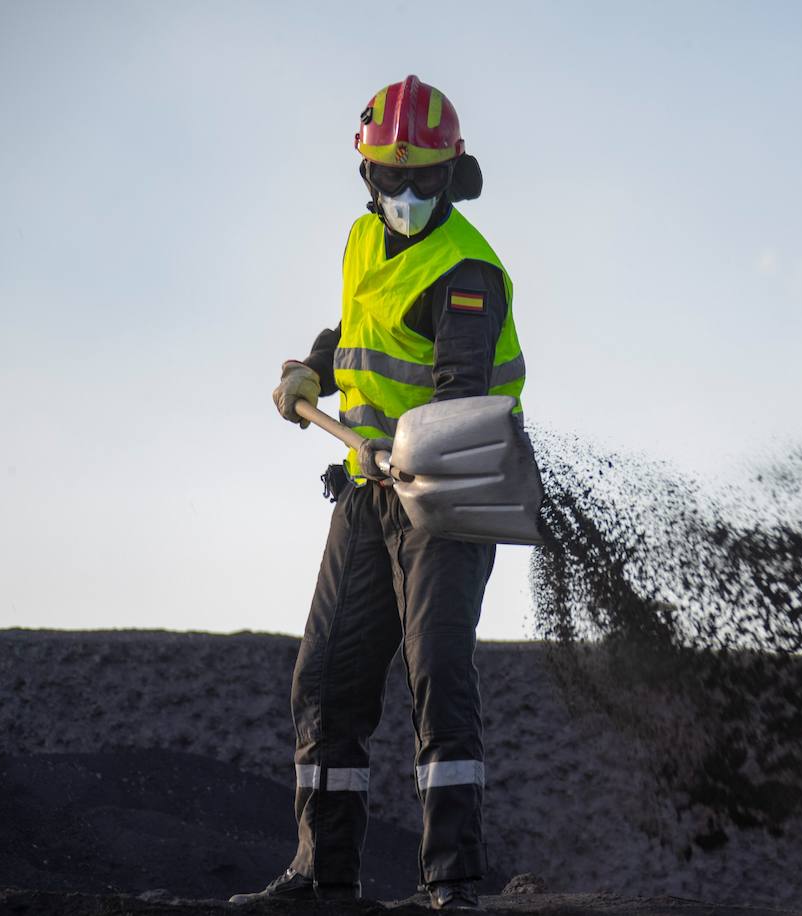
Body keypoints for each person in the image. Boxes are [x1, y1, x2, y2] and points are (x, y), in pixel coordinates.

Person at [229, 75, 525, 912]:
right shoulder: (363, 240)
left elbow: (458, 391)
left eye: (421, 178)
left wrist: (400, 449)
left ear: (450, 174)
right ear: (366, 177)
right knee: (325, 679)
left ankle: (452, 886)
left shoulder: (469, 272)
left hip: (449, 491)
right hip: (368, 493)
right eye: (388, 178)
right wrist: (312, 368)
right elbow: (360, 327)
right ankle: (324, 879)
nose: (403, 194)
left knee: (436, 669)